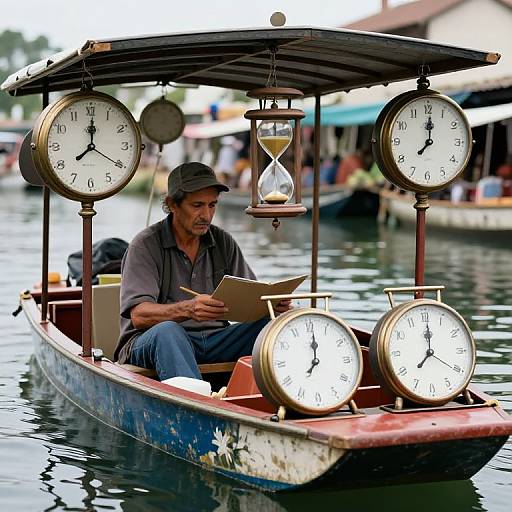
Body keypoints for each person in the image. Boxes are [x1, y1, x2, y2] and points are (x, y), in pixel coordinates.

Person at [114, 162, 290, 381]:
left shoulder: (223, 241)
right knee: (168, 331)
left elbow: (252, 296)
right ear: (172, 205)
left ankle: (291, 402)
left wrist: (272, 304)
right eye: (197, 205)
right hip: (152, 342)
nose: (206, 215)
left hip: (216, 339)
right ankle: (194, 406)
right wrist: (188, 309)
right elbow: (139, 316)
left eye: (212, 205)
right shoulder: (145, 245)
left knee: (275, 325)